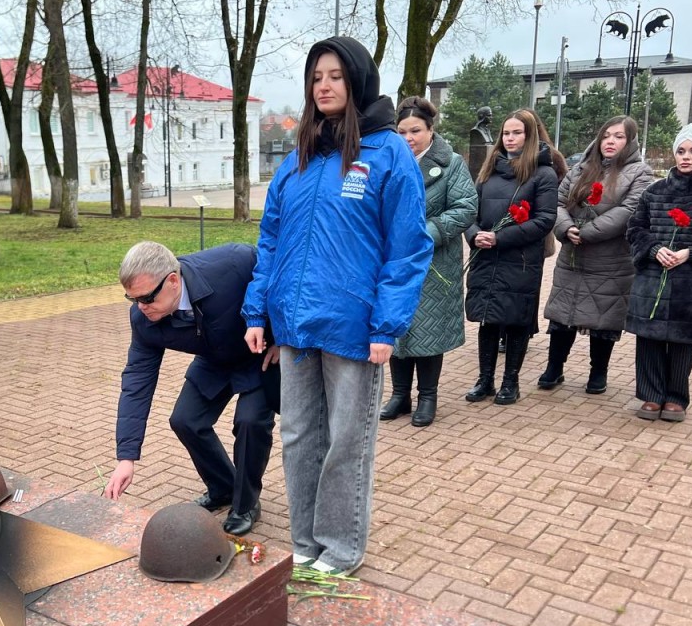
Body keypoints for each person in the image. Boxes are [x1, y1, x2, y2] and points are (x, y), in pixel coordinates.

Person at [242, 36, 432, 575]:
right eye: (316, 77)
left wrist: (386, 326)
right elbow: (271, 240)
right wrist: (258, 312)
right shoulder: (299, 157)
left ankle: (341, 547)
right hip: (295, 326)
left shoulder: (387, 152)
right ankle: (306, 541)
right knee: (299, 437)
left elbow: (407, 247)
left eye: (335, 76)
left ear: (357, 80)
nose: (323, 86)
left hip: (354, 327)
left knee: (347, 442)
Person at [103, 241, 277, 536]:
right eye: (132, 299)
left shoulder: (235, 263)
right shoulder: (143, 318)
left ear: (173, 280)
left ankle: (246, 504)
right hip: (214, 359)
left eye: (147, 298)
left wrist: (283, 340)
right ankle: (223, 487)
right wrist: (126, 457)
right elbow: (137, 382)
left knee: (250, 422)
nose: (141, 307)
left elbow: (282, 281)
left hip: (259, 351)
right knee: (185, 420)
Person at [380, 97, 477, 427]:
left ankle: (428, 396)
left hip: (434, 262)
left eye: (416, 131)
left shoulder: (451, 164)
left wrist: (427, 233)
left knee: (428, 329)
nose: (408, 138)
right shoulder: (390, 161)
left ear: (431, 130)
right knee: (397, 326)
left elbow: (465, 207)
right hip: (396, 260)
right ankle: (399, 395)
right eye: (402, 131)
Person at [540, 116, 653, 393]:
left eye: (619, 136)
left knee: (605, 316)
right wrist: (566, 227)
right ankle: (554, 367)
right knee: (563, 313)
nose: (610, 141)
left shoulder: (640, 172)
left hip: (611, 260)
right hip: (573, 256)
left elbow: (629, 210)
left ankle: (598, 372)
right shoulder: (581, 168)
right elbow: (557, 201)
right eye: (606, 135)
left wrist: (587, 232)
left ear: (630, 142)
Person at [464, 109, 558, 405]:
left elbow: (545, 220)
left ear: (530, 136)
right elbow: (470, 212)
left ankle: (510, 382)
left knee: (516, 319)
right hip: (486, 257)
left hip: (520, 259)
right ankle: (485, 380)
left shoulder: (543, 173)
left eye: (517, 133)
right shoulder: (488, 171)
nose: (510, 138)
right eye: (506, 133)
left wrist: (500, 237)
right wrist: (474, 234)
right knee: (488, 319)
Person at [625, 123, 692, 422]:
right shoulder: (654, 192)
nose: (686, 157)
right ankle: (651, 394)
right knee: (650, 336)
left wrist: (690, 253)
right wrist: (655, 249)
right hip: (653, 279)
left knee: (683, 339)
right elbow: (635, 228)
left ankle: (676, 397)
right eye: (681, 151)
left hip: (690, 283)